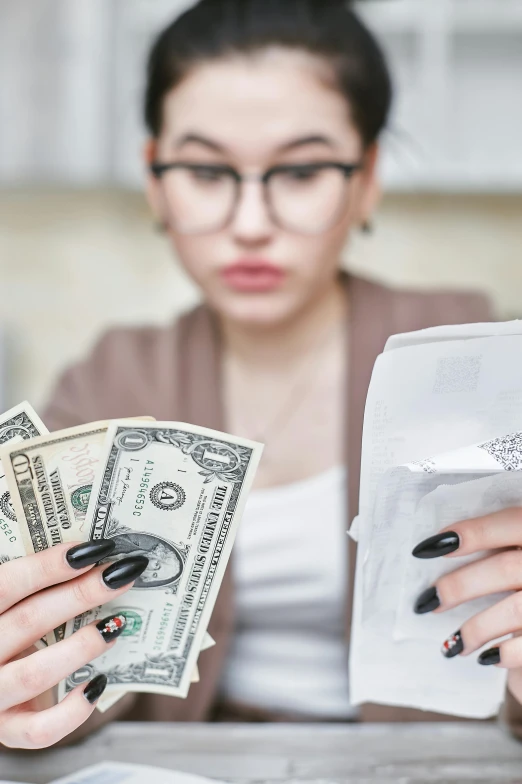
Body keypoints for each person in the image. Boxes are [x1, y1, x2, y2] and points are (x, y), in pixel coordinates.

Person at [2, 0, 522, 750]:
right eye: (207, 170)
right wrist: (32, 687)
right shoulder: (111, 379)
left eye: (303, 170)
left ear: (367, 178)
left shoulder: (473, 366)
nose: (251, 221)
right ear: (155, 180)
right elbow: (79, 684)